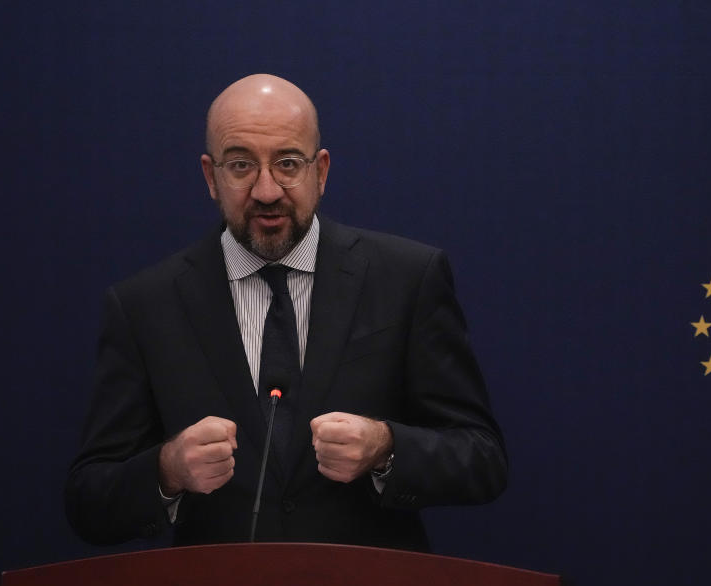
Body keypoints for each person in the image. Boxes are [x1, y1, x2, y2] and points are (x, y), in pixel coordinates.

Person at [65, 74, 507, 551]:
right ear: (211, 177)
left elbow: (482, 460)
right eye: (240, 165)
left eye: (288, 163)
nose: (267, 190)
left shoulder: (408, 278)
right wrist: (168, 470)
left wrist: (385, 447)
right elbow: (90, 501)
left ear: (321, 171)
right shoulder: (145, 306)